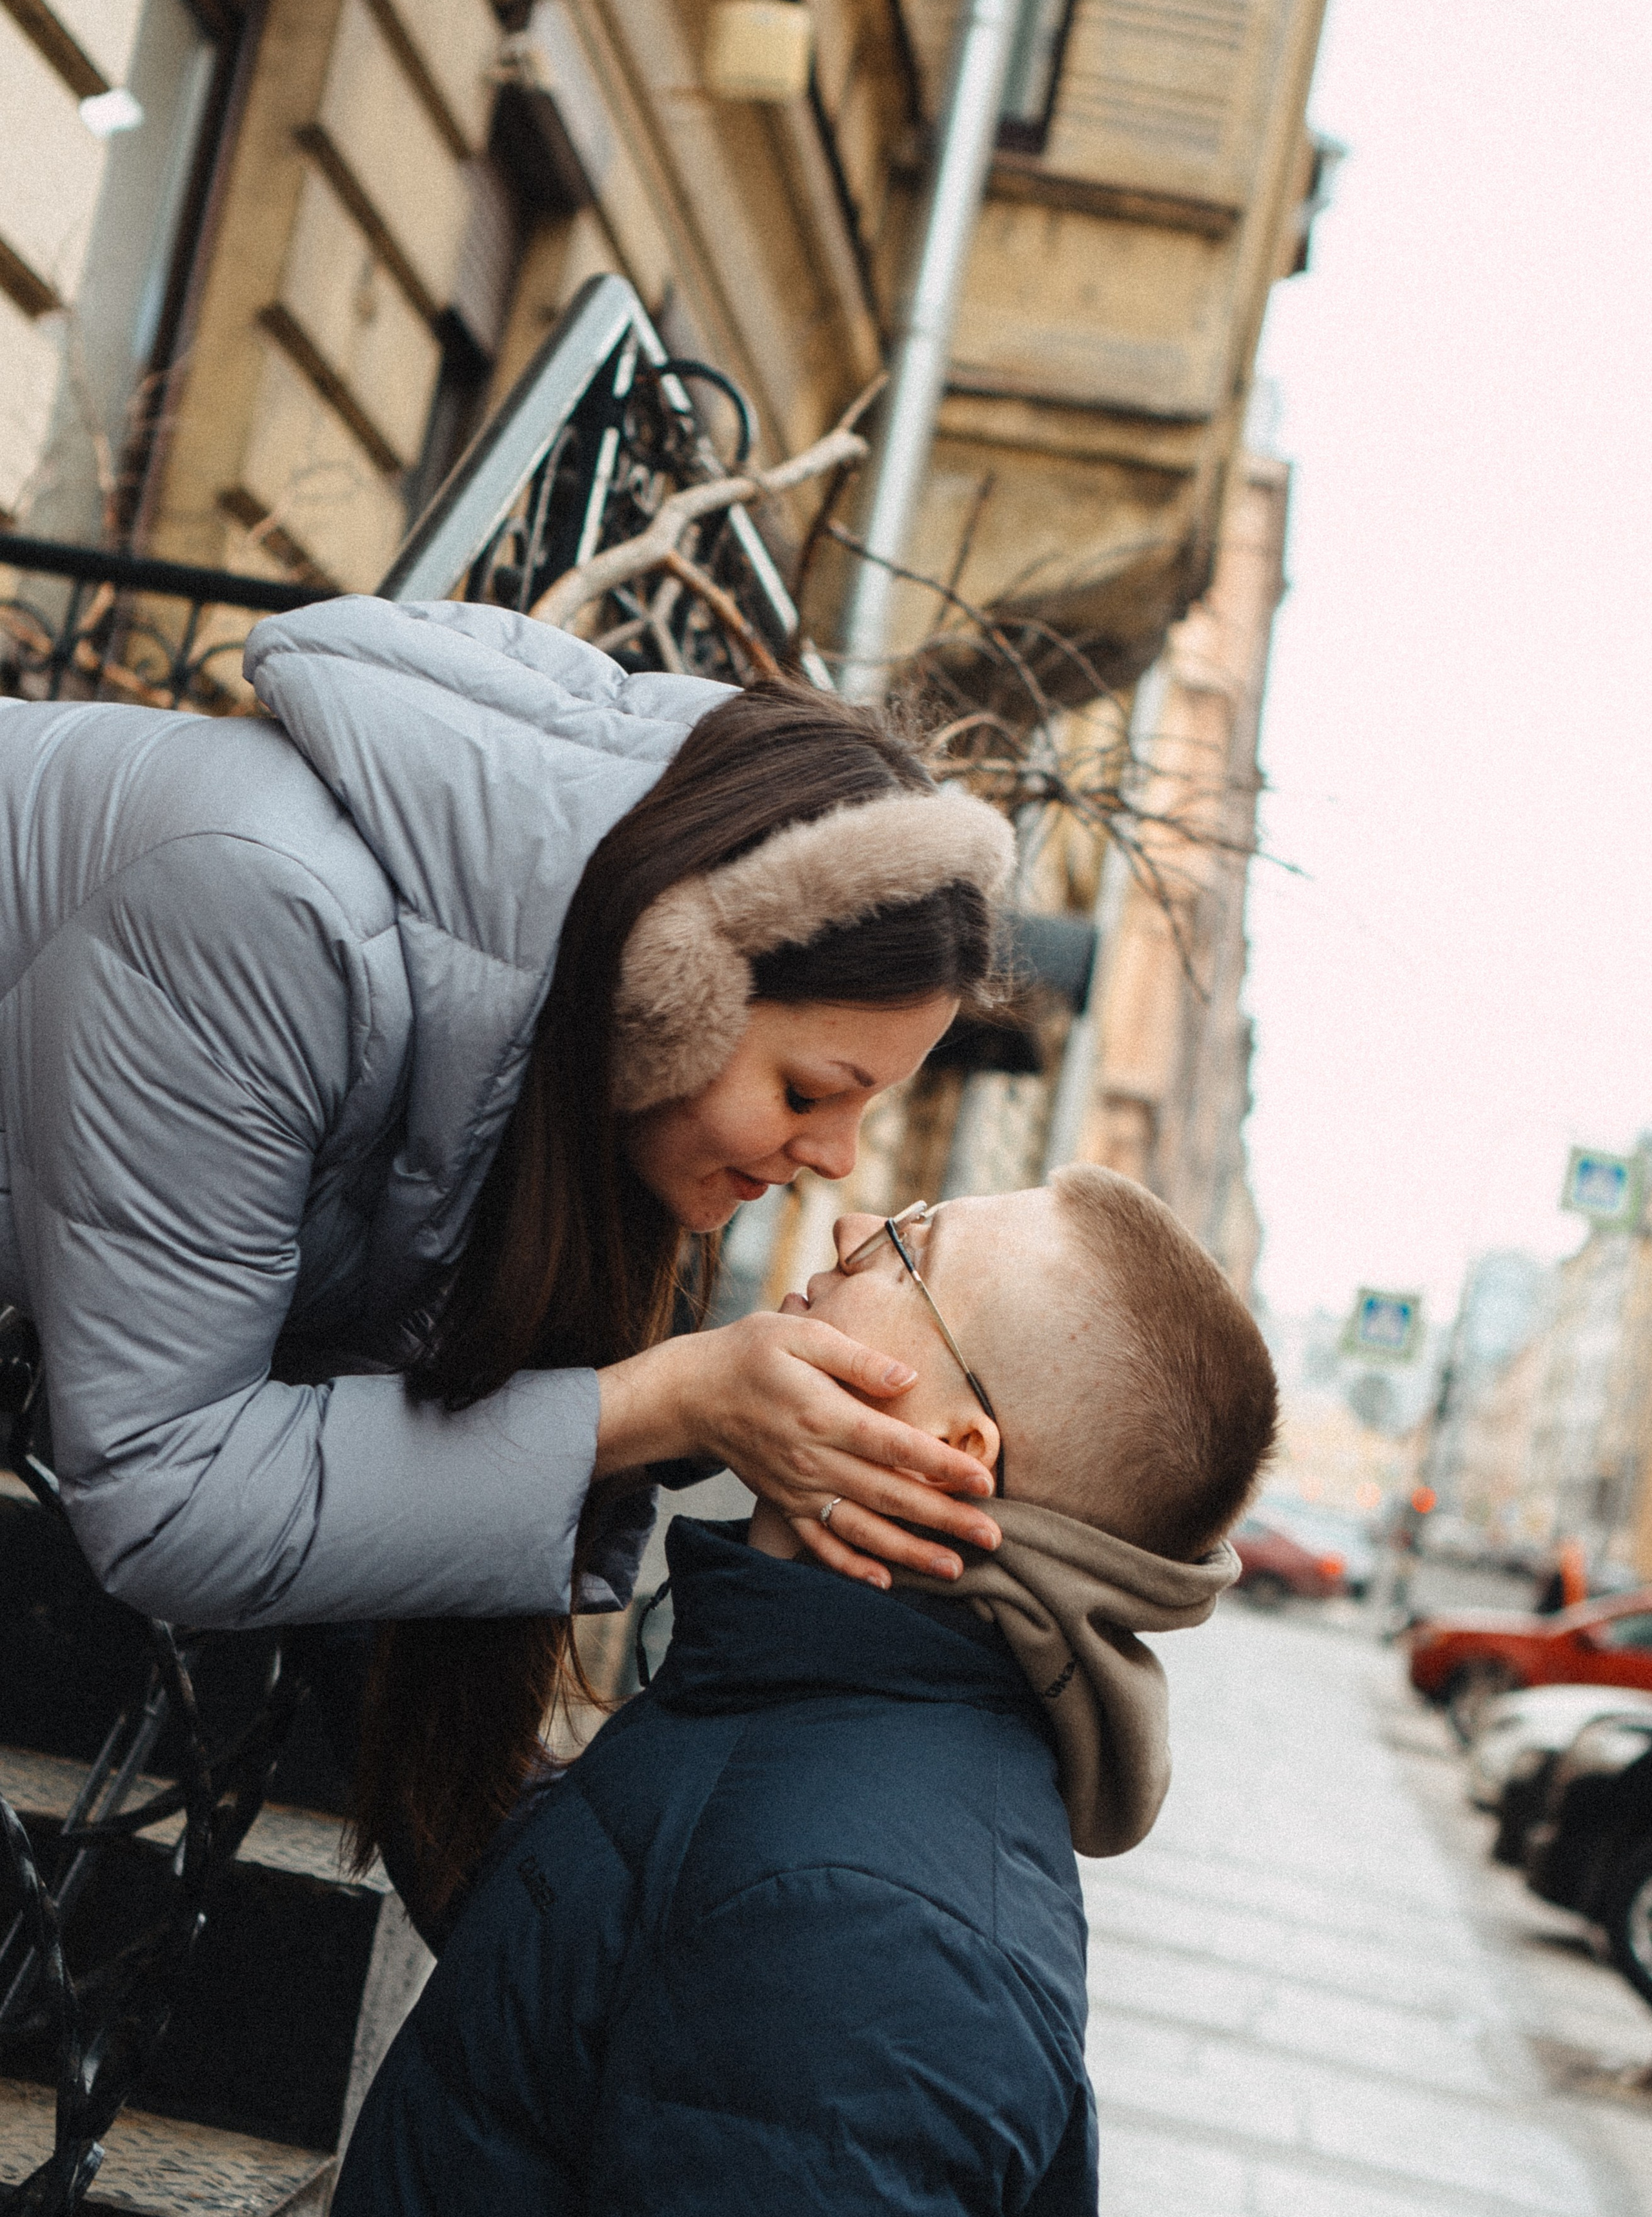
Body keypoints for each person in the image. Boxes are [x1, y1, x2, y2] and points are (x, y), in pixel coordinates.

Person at [0, 596, 1016, 1927]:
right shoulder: (265, 912)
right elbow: (168, 1492)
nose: (833, 1157)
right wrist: (655, 1404)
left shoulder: (515, 1039)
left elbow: (360, 1420)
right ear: (673, 988)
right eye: (812, 1089)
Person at [325, 1168, 1278, 2217]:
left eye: (912, 1247)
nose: (853, 1222)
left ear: (952, 1453)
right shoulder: (810, 1716)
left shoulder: (877, 1936)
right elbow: (576, 1959)